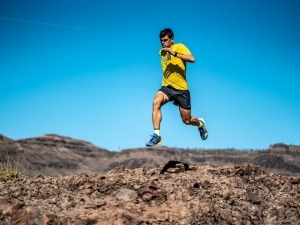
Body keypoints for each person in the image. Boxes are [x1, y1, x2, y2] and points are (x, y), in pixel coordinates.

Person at [146, 28, 208, 147]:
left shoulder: (179, 47)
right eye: (161, 41)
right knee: (156, 102)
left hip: (181, 90)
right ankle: (157, 135)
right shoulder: (161, 53)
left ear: (172, 39)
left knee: (187, 120)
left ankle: (200, 124)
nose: (163, 43)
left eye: (165, 40)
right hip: (167, 87)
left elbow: (192, 59)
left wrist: (173, 53)